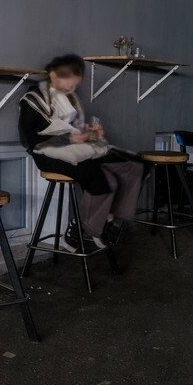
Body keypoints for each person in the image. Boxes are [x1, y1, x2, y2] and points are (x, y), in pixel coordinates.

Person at [18, 54, 144, 252]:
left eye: (75, 86)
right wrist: (69, 139)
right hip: (46, 153)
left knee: (132, 166)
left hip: (74, 149)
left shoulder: (69, 100)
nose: (71, 90)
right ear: (53, 75)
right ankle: (80, 228)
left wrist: (91, 134)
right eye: (69, 85)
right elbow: (32, 141)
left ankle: (107, 219)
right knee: (100, 175)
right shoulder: (32, 101)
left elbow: (75, 130)